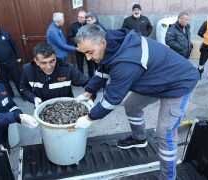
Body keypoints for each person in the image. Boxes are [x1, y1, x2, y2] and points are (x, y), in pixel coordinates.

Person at [74, 24, 199, 180]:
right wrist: (87, 94)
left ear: (102, 43)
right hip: (157, 79)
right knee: (132, 105)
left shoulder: (126, 61)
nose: (88, 58)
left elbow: (112, 99)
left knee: (164, 132)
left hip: (180, 84)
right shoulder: (111, 42)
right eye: (84, 53)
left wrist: (89, 118)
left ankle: (168, 177)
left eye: (89, 52)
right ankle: (139, 138)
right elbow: (102, 71)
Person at [20, 42, 92, 108]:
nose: (49, 67)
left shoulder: (67, 68)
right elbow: (24, 89)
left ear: (55, 58)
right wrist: (34, 98)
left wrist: (89, 97)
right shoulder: (28, 70)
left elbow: (89, 83)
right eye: (43, 63)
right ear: (36, 61)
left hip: (67, 108)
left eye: (52, 61)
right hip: (43, 109)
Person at [68, 10, 94, 77]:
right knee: (80, 65)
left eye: (81, 17)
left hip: (89, 50)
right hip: (79, 49)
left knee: (90, 65)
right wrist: (77, 40)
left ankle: (91, 78)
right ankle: (81, 79)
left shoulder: (90, 25)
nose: (79, 18)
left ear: (85, 18)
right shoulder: (73, 26)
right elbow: (70, 37)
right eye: (78, 16)